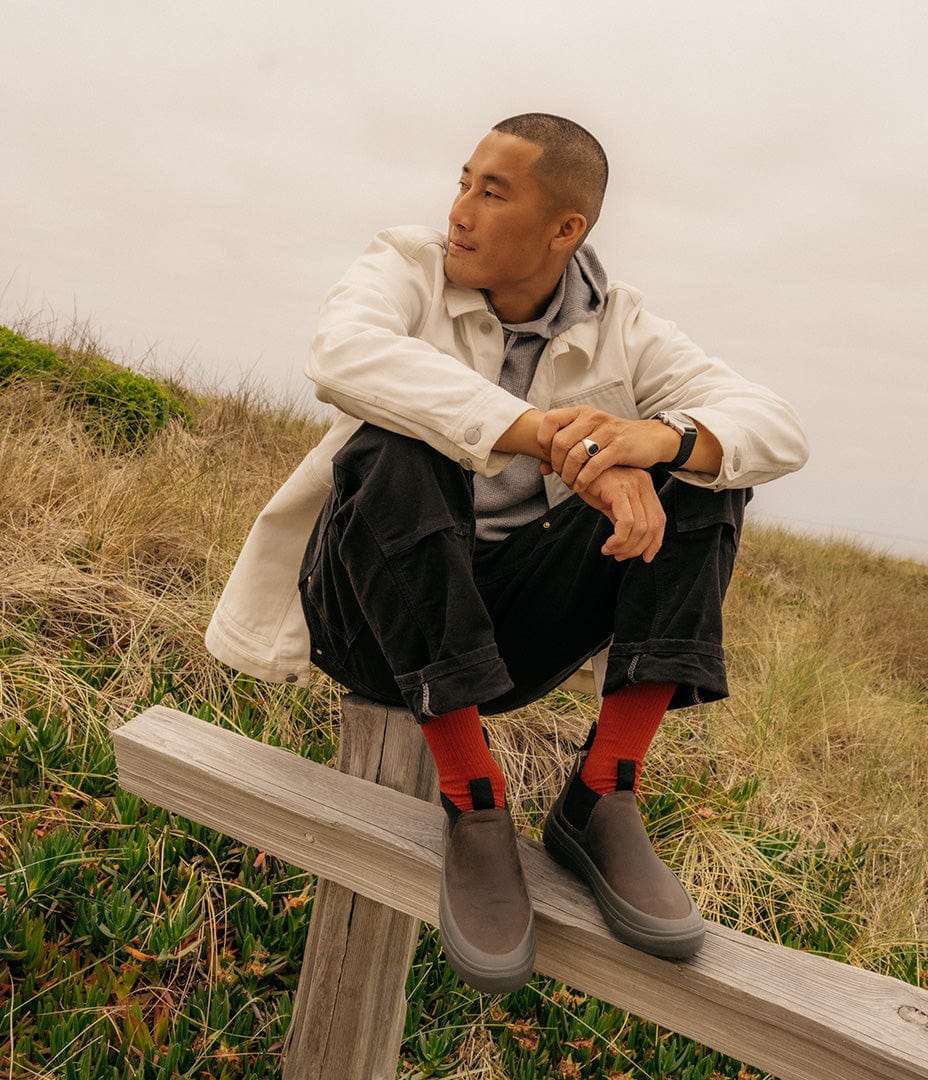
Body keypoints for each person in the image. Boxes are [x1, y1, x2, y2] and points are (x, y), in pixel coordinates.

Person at [206, 113, 808, 993]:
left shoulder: (624, 326)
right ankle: (473, 802)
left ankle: (604, 791)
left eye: (493, 192)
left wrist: (653, 445)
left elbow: (775, 425)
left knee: (705, 473)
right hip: (368, 617)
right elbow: (342, 354)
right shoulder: (406, 266)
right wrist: (549, 439)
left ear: (567, 229)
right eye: (462, 181)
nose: (461, 210)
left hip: (504, 638)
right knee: (395, 446)